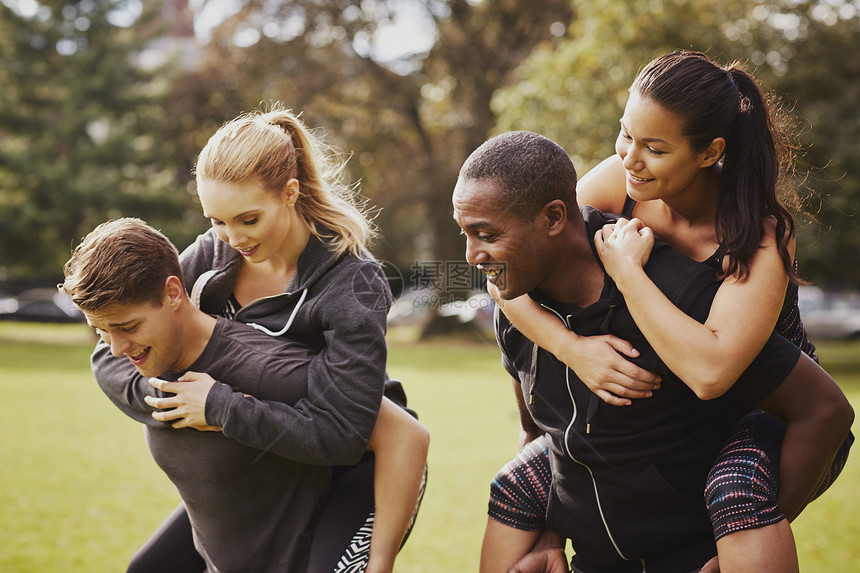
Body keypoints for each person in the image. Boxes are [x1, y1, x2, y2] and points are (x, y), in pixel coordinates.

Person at [490, 51, 853, 571]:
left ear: (710, 153)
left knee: (736, 493)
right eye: (626, 134)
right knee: (516, 484)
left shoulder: (760, 236)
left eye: (655, 148)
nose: (631, 158)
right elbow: (515, 268)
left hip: (771, 412)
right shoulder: (621, 182)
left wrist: (629, 274)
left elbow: (712, 373)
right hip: (676, 409)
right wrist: (575, 350)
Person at [89, 107, 424, 573]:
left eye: (248, 219)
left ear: (289, 194)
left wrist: (221, 408)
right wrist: (171, 400)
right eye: (217, 220)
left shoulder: (353, 283)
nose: (233, 238)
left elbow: (344, 435)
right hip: (270, 463)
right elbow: (112, 357)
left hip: (361, 466)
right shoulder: (211, 254)